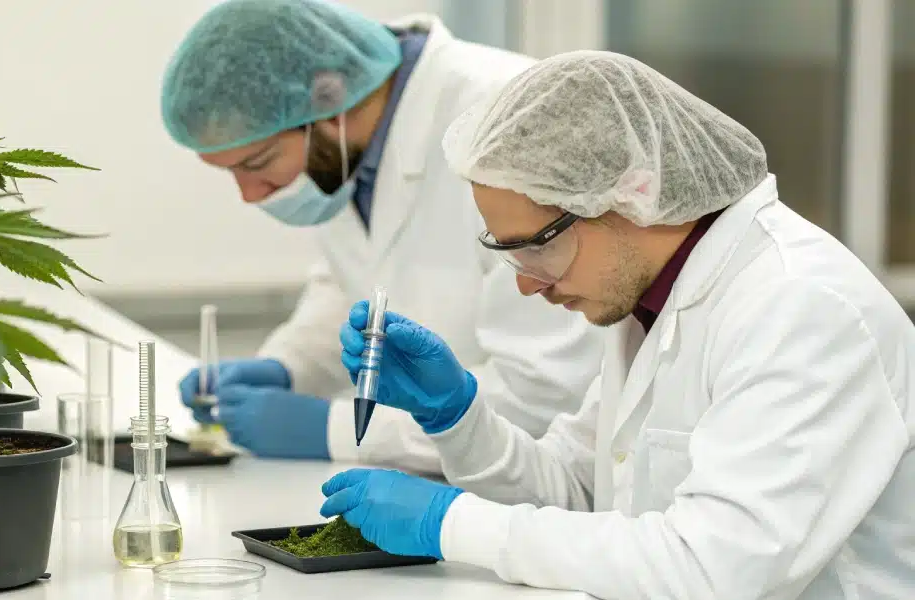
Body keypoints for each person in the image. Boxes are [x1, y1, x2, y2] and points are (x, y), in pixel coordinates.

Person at [326, 50, 915, 599]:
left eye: (535, 248)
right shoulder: (654, 300)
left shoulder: (801, 310)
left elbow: (713, 568)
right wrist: (455, 417)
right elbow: (579, 493)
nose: (527, 284)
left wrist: (449, 524)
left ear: (631, 195)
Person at [159, 0, 602, 469]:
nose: (250, 194)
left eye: (257, 163)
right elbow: (353, 289)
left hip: (545, 493)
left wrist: (338, 430)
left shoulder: (509, 117)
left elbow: (544, 394)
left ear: (328, 100)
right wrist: (289, 368)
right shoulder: (345, 146)